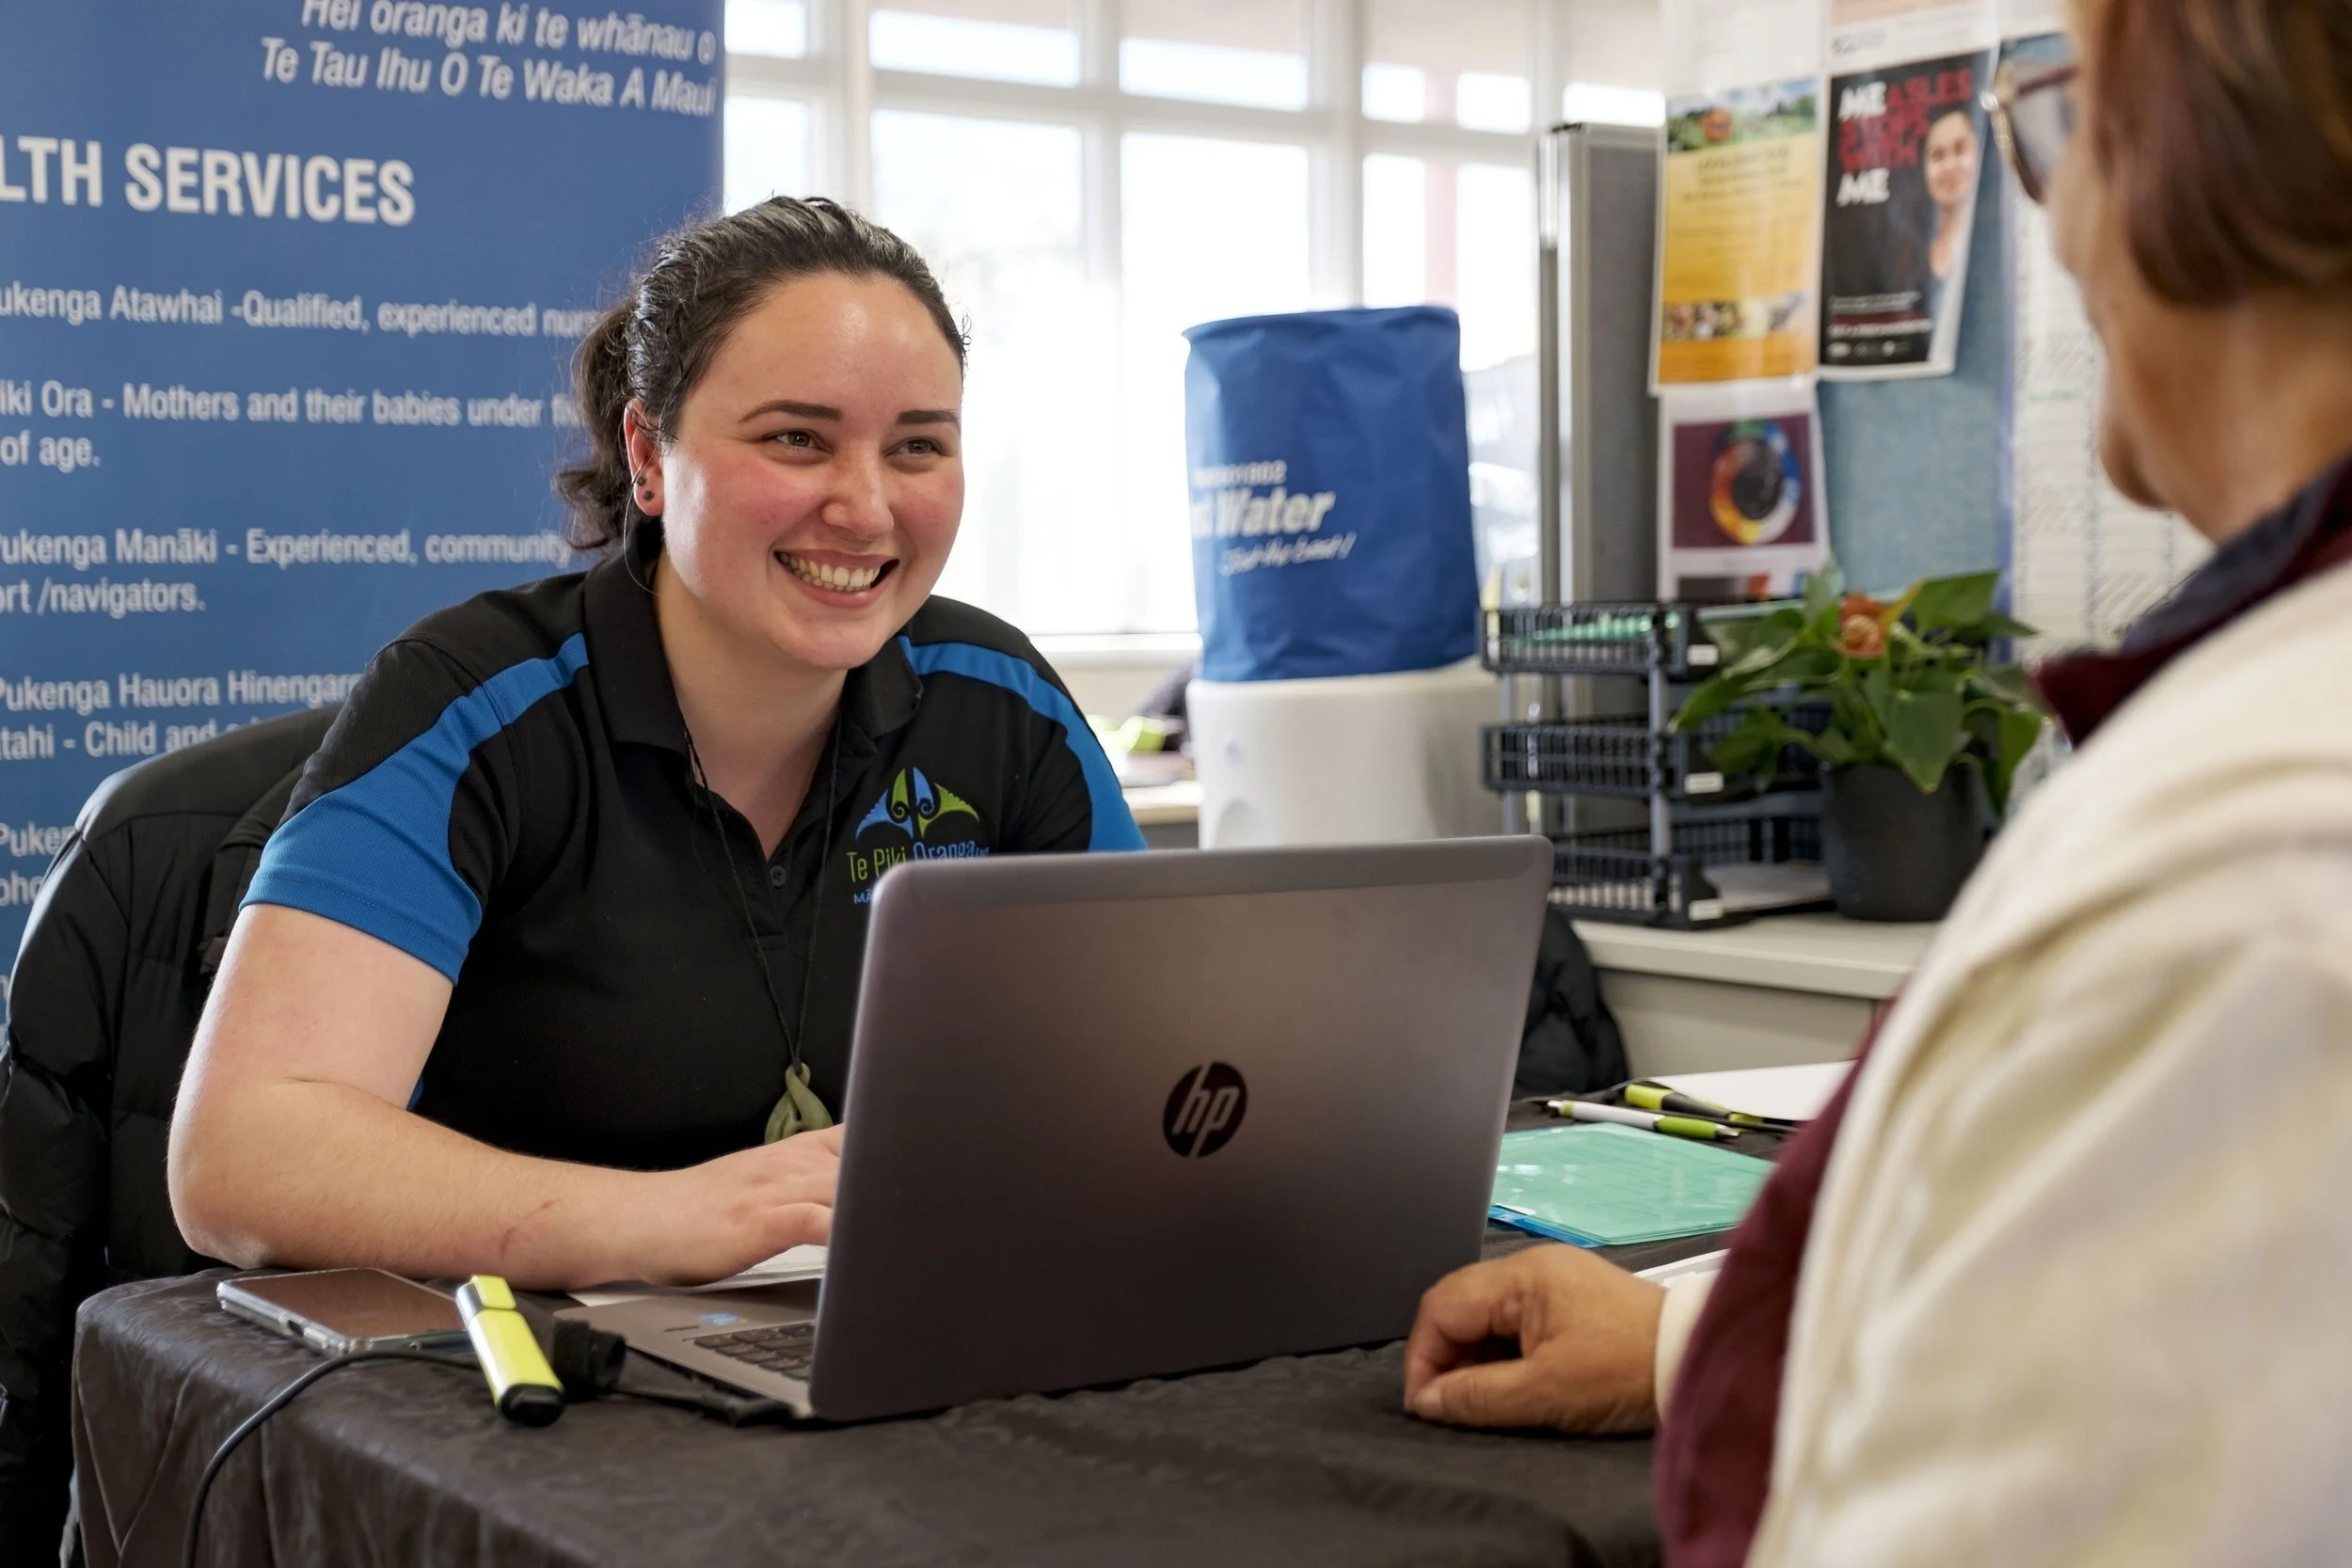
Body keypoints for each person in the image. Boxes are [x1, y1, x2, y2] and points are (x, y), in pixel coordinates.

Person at [1404, 2, 2352, 1562]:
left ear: (2189, 153)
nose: (2055, 237)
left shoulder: (2245, 879)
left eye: (2063, 123)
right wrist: (1676, 1336)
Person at [167, 198, 1144, 1292]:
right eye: (796, 438)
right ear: (647, 453)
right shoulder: (476, 704)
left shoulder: (1003, 702)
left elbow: (1166, 1076)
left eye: (917, 445)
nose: (866, 508)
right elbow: (240, 1159)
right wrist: (661, 1217)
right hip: (526, 1390)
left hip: (899, 1336)